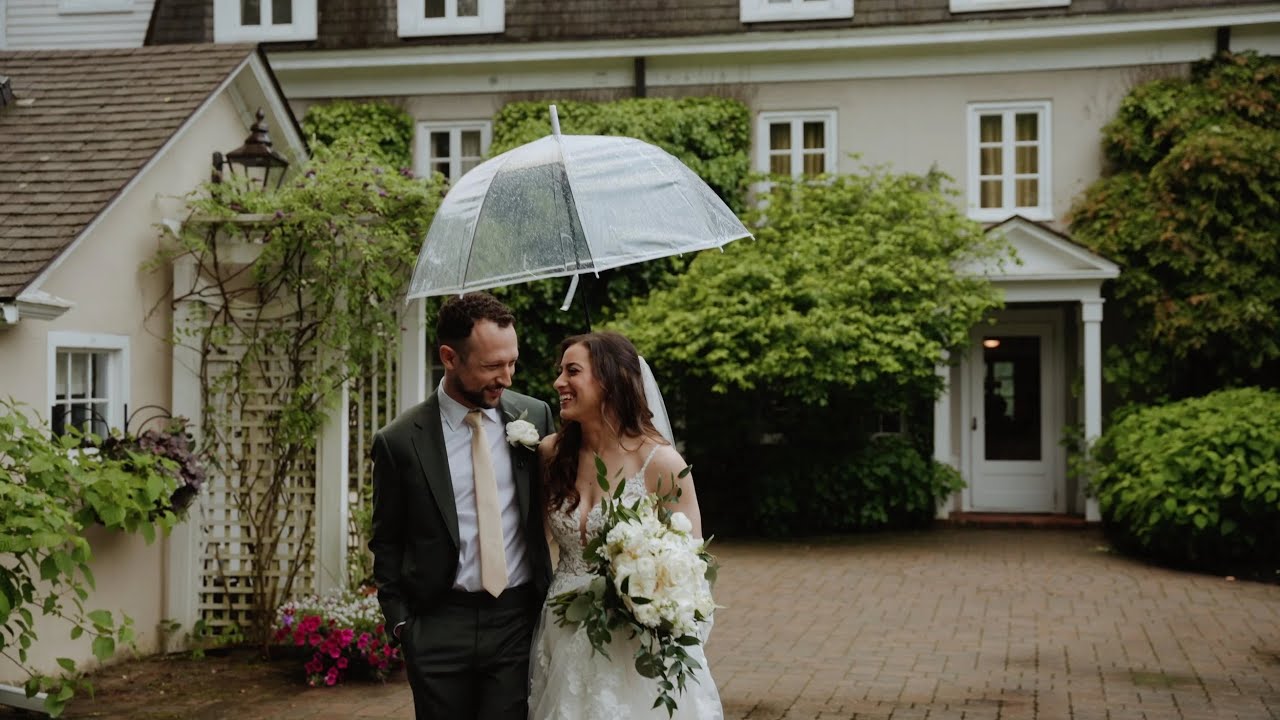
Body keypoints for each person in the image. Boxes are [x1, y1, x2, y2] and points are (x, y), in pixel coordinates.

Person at [369, 292, 555, 720]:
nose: (506, 377)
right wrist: (402, 624)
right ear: (450, 357)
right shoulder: (399, 441)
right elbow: (387, 539)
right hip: (437, 624)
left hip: (516, 619)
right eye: (492, 366)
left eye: (513, 362)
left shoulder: (534, 416)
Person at [528, 331, 723, 719]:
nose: (558, 383)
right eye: (559, 371)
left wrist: (654, 608)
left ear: (609, 380)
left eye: (572, 371)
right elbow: (533, 537)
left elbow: (693, 568)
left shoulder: (662, 464)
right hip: (562, 625)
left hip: (630, 641)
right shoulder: (551, 453)